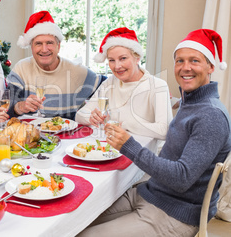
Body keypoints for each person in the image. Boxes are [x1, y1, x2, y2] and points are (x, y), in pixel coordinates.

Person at [79, 29, 231, 237]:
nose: (185, 68)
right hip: (149, 194)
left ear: (211, 66)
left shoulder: (210, 115)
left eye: (194, 61)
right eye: (180, 61)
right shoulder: (191, 101)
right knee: (74, 221)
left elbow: (181, 178)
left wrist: (128, 144)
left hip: (174, 214)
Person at [75, 27, 172, 140]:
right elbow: (79, 115)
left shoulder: (157, 85)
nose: (117, 66)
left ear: (137, 58)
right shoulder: (109, 83)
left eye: (123, 58)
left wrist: (124, 124)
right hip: (109, 150)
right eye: (111, 60)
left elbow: (165, 131)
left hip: (142, 154)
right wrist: (91, 117)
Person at [7, 10, 106, 120]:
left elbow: (107, 87)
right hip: (31, 134)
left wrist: (90, 113)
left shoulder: (76, 70)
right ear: (32, 47)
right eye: (38, 44)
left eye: (49, 43)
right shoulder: (21, 68)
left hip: (69, 134)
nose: (44, 50)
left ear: (58, 46)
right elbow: (5, 105)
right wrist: (20, 106)